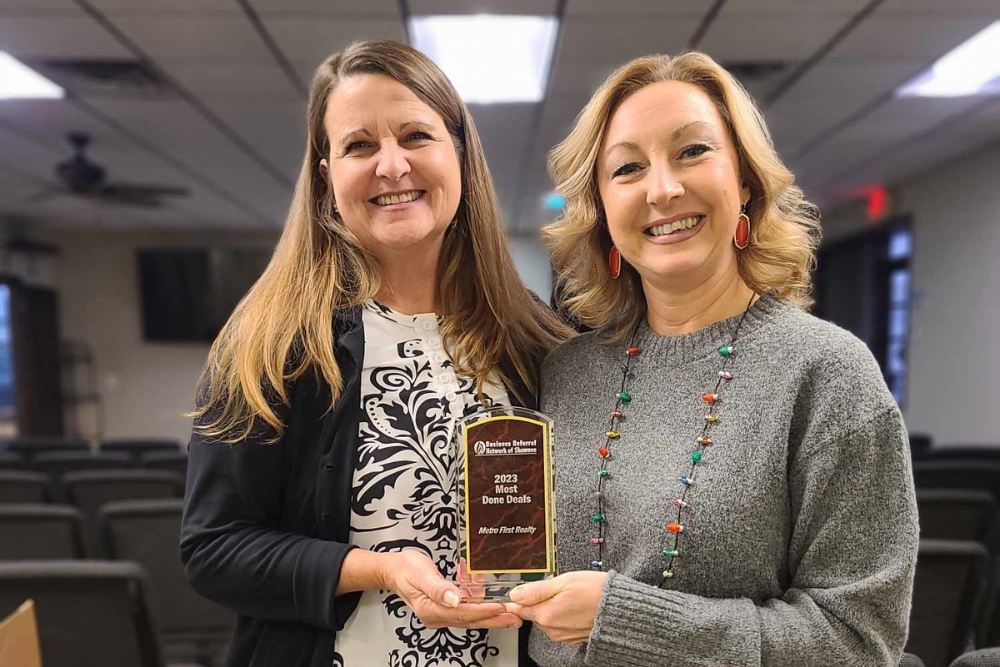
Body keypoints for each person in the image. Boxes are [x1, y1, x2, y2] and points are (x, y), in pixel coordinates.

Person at [506, 52, 919, 666]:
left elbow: (860, 642)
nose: (664, 188)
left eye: (692, 152)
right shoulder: (565, 372)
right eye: (628, 168)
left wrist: (625, 619)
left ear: (745, 182)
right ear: (601, 207)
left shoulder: (831, 375)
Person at [180, 40, 568, 667]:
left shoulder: (535, 341)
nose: (391, 166)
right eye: (360, 145)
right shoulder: (271, 345)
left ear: (461, 157)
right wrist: (378, 569)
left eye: (416, 135)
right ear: (327, 173)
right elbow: (215, 550)